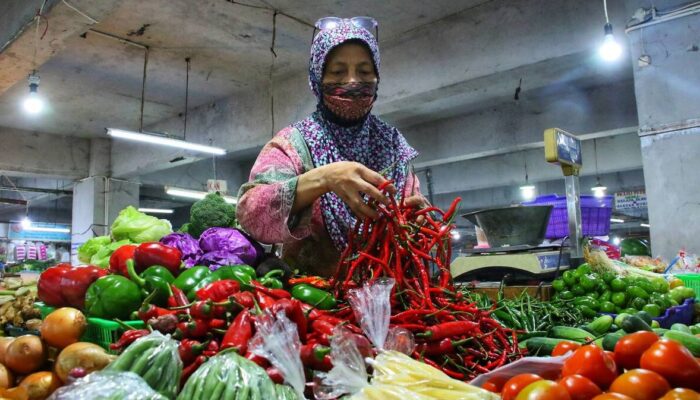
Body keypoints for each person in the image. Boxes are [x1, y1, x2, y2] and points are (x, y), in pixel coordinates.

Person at [237, 18, 425, 276]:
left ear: (377, 75)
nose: (352, 82)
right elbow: (253, 217)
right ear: (317, 77)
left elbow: (414, 220)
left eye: (364, 71)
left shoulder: (393, 145)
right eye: (337, 72)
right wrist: (324, 178)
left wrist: (420, 223)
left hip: (390, 300)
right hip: (315, 303)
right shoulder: (292, 143)